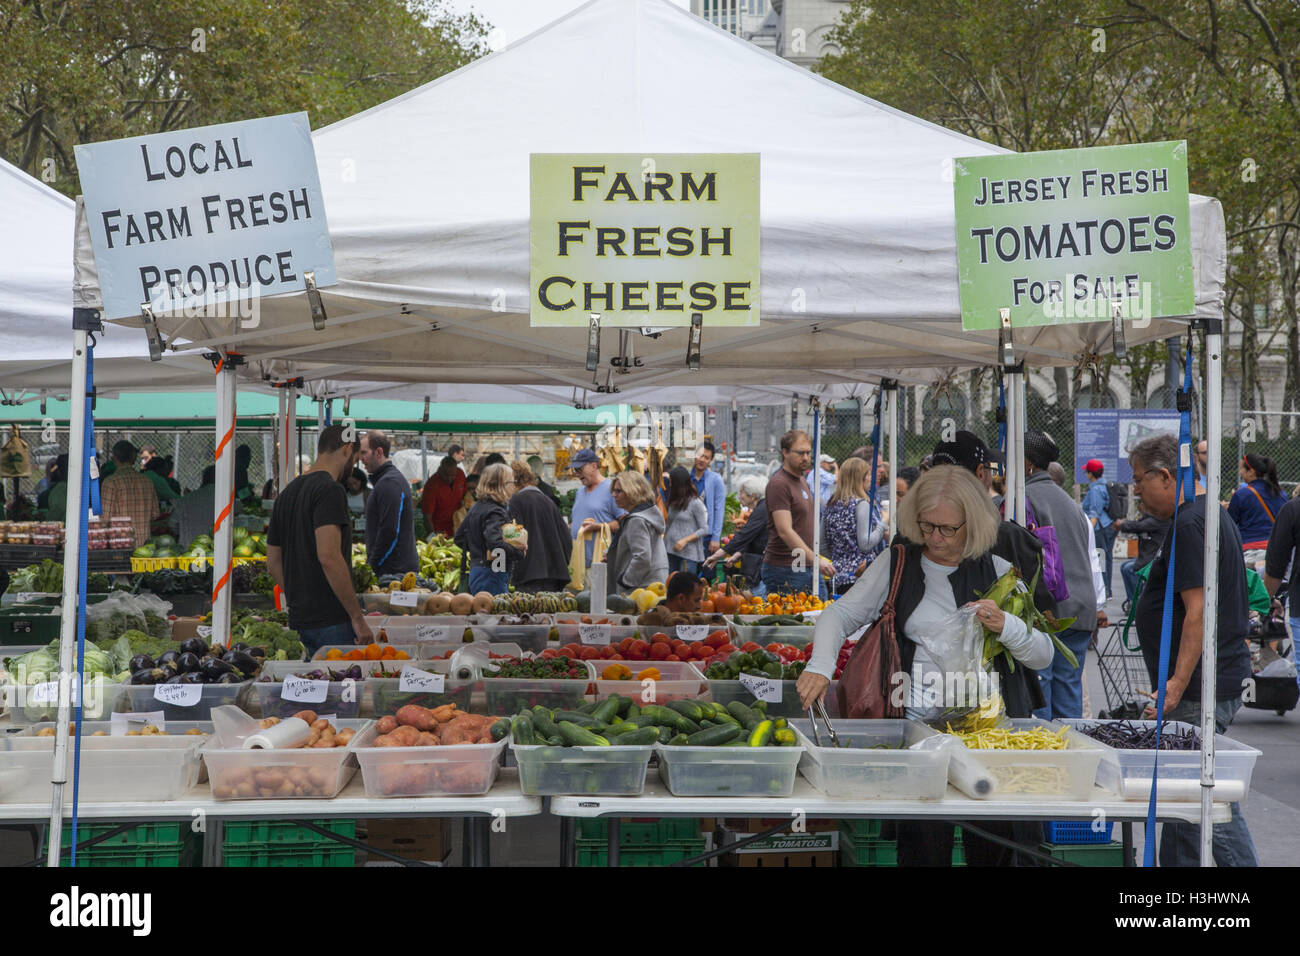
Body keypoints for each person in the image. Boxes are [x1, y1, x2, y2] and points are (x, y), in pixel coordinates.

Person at [798, 465, 1054, 865]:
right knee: (921, 850)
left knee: (993, 850)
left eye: (947, 529)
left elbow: (1043, 655)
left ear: (974, 524)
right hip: (918, 738)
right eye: (926, 525)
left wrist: (1008, 625)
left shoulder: (1001, 575)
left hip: (987, 741)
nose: (935, 538)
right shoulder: (896, 564)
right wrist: (820, 665)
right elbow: (837, 616)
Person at [1129, 434, 1258, 867]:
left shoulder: (1190, 522)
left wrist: (1176, 684)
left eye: (1137, 480)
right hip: (1209, 678)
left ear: (1164, 475)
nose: (1135, 492)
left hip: (1201, 685)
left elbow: (1197, 611)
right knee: (1185, 807)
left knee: (1205, 804)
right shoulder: (1204, 515)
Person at [267, 424, 374, 654]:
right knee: (338, 687)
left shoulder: (287, 493)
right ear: (347, 449)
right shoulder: (329, 490)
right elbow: (329, 556)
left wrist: (300, 596)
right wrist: (357, 617)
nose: (352, 469)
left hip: (300, 620)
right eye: (354, 461)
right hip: (332, 621)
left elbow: (273, 561)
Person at [930, 431, 1056, 625]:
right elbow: (1041, 616)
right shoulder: (1008, 537)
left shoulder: (912, 537)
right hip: (990, 650)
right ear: (981, 472)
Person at [1022, 430, 1098, 720]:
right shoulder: (1071, 504)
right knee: (1069, 698)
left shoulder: (1024, 499)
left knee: (1041, 697)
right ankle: (1070, 759)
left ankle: (1045, 761)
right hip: (1080, 610)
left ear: (1027, 463)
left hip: (1049, 611)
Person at [763, 430, 835, 594]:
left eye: (808, 453)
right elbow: (785, 530)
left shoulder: (801, 480)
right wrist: (816, 561)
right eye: (800, 453)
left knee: (820, 613)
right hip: (786, 567)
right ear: (785, 452)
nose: (805, 458)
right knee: (797, 618)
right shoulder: (779, 484)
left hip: (805, 565)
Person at [455, 462, 526, 594]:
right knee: (496, 612)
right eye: (512, 482)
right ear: (501, 485)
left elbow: (459, 538)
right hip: (493, 573)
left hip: (477, 571)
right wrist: (518, 552)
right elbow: (495, 543)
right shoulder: (495, 511)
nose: (514, 486)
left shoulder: (476, 507)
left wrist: (478, 550)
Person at [823, 456, 886, 594]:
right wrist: (883, 523)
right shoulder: (861, 504)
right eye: (868, 474)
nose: (871, 478)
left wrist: (841, 557)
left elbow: (821, 545)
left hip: (837, 577)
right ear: (860, 479)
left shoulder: (831, 504)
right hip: (861, 576)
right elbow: (866, 544)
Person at [508, 460, 572, 593]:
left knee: (529, 613)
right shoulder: (549, 501)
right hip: (555, 577)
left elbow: (514, 539)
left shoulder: (516, 501)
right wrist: (560, 563)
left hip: (529, 577)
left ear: (515, 481)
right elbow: (566, 538)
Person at [360, 430, 418, 577]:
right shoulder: (386, 481)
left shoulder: (389, 483)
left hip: (394, 573)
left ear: (379, 452)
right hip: (393, 570)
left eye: (364, 453)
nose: (361, 459)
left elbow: (390, 530)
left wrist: (373, 566)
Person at [704, 475, 768, 593]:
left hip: (762, 570)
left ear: (752, 494)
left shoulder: (762, 510)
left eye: (741, 492)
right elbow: (752, 537)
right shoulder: (761, 508)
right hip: (757, 567)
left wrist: (720, 553)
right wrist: (737, 555)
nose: (739, 496)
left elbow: (744, 535)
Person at [606, 471, 668, 592]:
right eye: (613, 490)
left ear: (632, 492)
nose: (613, 495)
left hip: (641, 589)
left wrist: (625, 582)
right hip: (652, 584)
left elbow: (642, 557)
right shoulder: (646, 515)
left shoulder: (637, 520)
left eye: (618, 491)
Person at [1227, 452, 1287, 568]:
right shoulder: (1281, 494)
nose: (1240, 472)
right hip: (1274, 551)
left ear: (1251, 472)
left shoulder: (1241, 495)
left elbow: (1230, 523)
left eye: (1242, 469)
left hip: (1249, 552)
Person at [101, 440, 161, 548]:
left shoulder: (110, 482)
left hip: (120, 546)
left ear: (115, 458)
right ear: (134, 458)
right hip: (145, 548)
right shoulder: (147, 481)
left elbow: (105, 519)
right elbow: (155, 514)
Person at [169, 465, 243, 546]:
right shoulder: (226, 498)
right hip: (218, 551)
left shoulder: (187, 498)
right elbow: (239, 509)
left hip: (189, 552)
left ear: (204, 479)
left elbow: (172, 524)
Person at [569, 447, 619, 564]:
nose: (577, 474)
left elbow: (623, 523)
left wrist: (598, 526)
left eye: (580, 469)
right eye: (575, 470)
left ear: (594, 466)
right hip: (579, 562)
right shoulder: (580, 492)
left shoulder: (612, 489)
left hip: (600, 561)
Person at [1115, 506, 1171, 606]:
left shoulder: (1158, 520)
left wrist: (1122, 524)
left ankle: (1138, 599)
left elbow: (1138, 526)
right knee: (1125, 566)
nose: (1140, 506)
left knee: (1129, 569)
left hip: (1153, 557)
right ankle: (1131, 598)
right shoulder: (1151, 518)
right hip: (1147, 556)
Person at [1080, 459, 1117, 599]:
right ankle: (1107, 590)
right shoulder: (1104, 485)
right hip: (1108, 526)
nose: (1086, 474)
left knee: (1100, 559)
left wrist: (1087, 531)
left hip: (1100, 529)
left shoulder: (1096, 489)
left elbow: (1095, 513)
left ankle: (1105, 591)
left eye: (1087, 472)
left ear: (1091, 473)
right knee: (1106, 558)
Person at [664, 465, 710, 577]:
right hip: (670, 550)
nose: (669, 485)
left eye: (671, 482)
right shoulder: (674, 501)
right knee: (671, 585)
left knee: (685, 587)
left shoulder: (695, 503)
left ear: (678, 484)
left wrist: (684, 540)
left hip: (688, 554)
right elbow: (669, 524)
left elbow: (704, 529)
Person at [689, 442, 728, 553]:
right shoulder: (687, 478)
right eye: (700, 455)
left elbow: (719, 509)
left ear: (710, 461)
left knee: (707, 568)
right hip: (688, 534)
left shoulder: (715, 480)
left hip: (707, 536)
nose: (702, 460)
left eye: (706, 458)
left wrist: (715, 538)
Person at [421, 455, 466, 537]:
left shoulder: (460, 475)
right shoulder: (431, 485)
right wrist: (432, 535)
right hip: (440, 529)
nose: (449, 479)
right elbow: (427, 516)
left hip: (458, 525)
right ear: (440, 470)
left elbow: (466, 496)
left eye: (452, 475)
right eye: (446, 475)